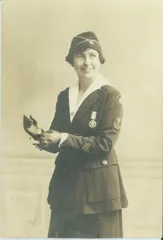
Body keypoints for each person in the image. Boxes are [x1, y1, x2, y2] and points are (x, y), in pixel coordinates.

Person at [23, 31, 128, 238]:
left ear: (100, 60)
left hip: (99, 192)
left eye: (92, 55)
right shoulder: (65, 96)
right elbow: (58, 139)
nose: (86, 62)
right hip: (66, 187)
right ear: (72, 61)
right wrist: (40, 134)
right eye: (80, 56)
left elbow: (104, 144)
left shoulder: (110, 95)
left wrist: (62, 138)